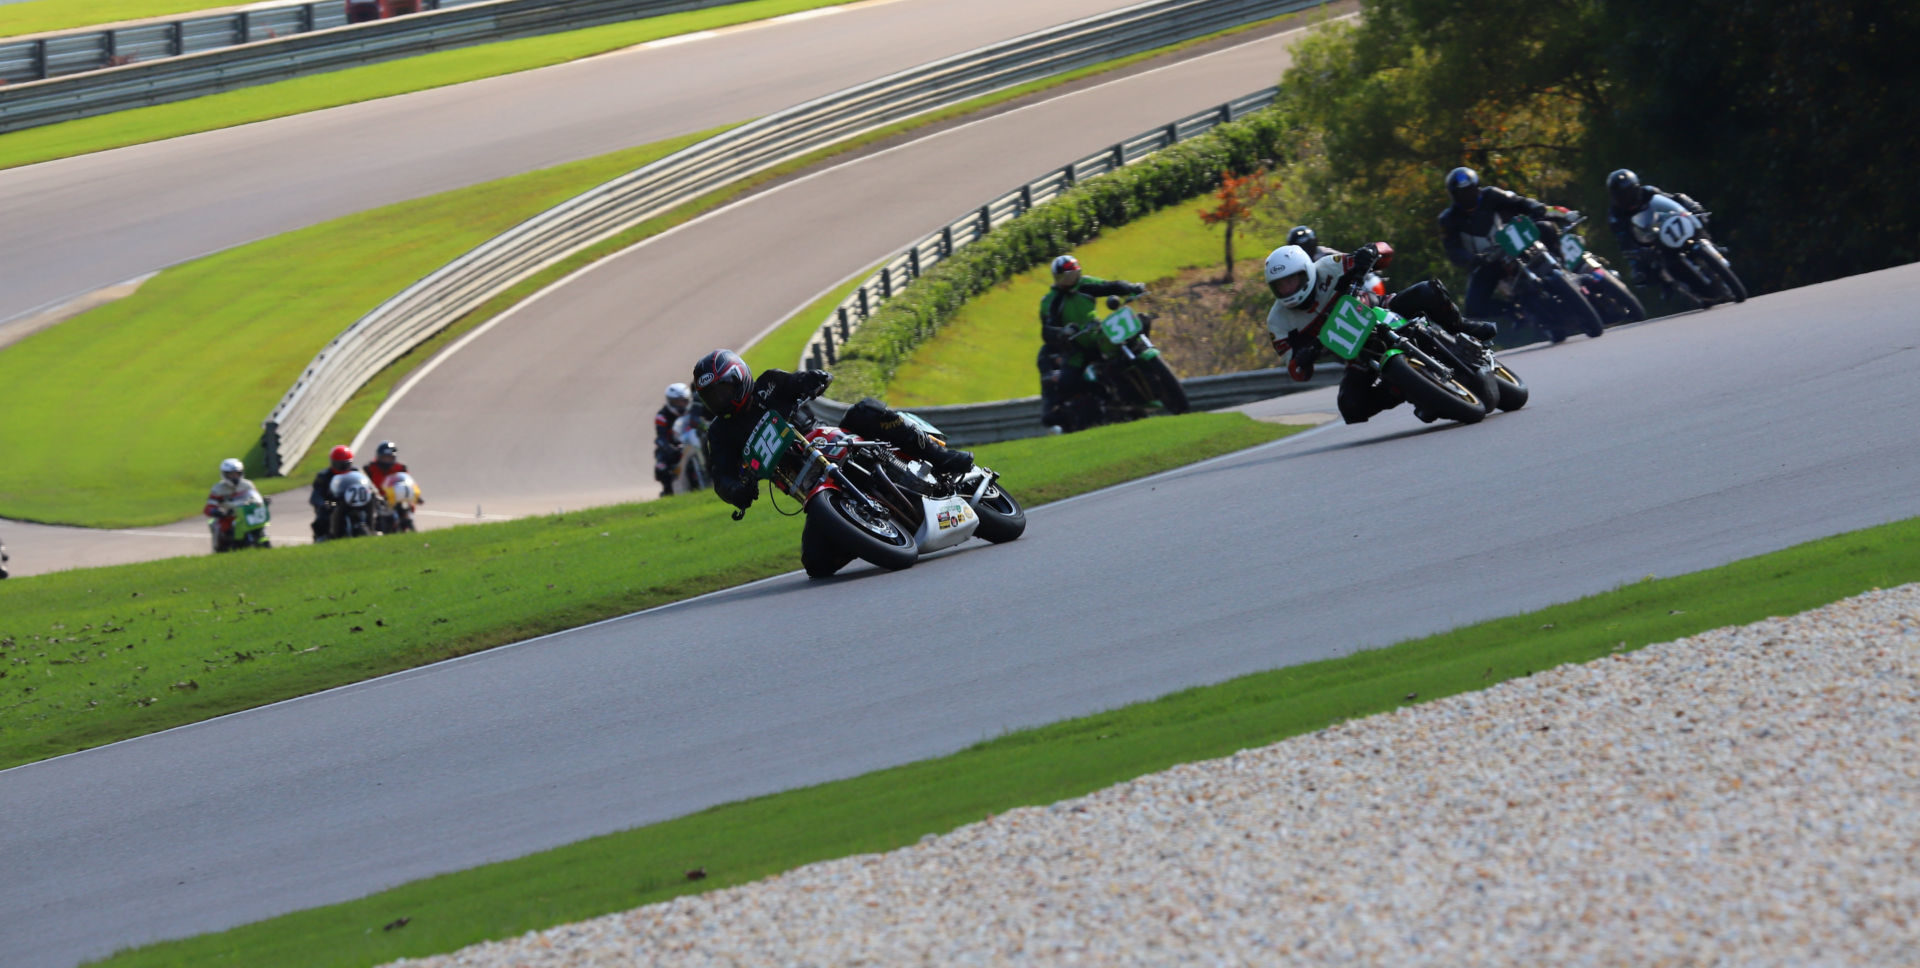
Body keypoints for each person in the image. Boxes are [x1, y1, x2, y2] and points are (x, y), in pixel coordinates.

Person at [691, 349, 972, 577]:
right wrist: (735, 491)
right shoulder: (720, 433)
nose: (720, 400)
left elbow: (800, 382)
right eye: (712, 397)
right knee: (816, 564)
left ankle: (942, 456)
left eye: (723, 390)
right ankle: (863, 533)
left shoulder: (770, 383)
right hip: (803, 480)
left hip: (830, 440)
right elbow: (721, 477)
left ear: (739, 378)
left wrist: (814, 380)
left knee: (866, 411)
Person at [1263, 241, 1496, 425]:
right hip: (1357, 354)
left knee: (1428, 291)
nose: (1288, 289)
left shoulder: (1327, 266)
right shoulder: (1278, 321)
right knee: (1350, 407)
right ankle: (1404, 389)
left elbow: (1383, 251)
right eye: (1281, 285)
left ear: (1306, 271)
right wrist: (1304, 357)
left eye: (1292, 280)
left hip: (1381, 308)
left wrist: (1370, 252)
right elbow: (1296, 371)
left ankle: (1461, 326)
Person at [1437, 166, 1571, 325]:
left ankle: (1563, 267)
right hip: (1487, 261)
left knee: (1546, 227)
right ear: (1454, 195)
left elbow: (1519, 201)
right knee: (1473, 307)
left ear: (1477, 187)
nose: (1467, 195)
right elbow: (1453, 250)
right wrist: (1473, 259)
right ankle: (1514, 310)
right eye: (1462, 193)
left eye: (1470, 189)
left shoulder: (1491, 195)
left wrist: (1535, 207)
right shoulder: (1448, 219)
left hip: (1513, 242)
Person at [1036, 254, 1148, 431]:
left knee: (1134, 336)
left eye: (1073, 275)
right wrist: (1062, 332)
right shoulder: (1051, 300)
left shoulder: (1086, 284)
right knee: (1066, 381)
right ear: (1057, 279)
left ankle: (1147, 378)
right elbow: (1046, 330)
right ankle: (1085, 406)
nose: (1070, 280)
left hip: (1098, 335)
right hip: (1076, 347)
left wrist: (1132, 287)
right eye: (1066, 277)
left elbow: (1110, 286)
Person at [1604, 168, 1713, 287]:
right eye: (1622, 195)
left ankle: (1712, 248)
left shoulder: (1648, 191)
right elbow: (1623, 240)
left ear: (1636, 187)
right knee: (1645, 267)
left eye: (1629, 192)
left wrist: (1693, 208)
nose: (1627, 198)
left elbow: (1674, 199)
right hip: (1649, 240)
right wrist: (1636, 254)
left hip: (1667, 224)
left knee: (1699, 221)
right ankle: (1672, 284)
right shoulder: (1615, 214)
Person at [653, 382, 709, 497]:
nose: (680, 404)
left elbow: (703, 423)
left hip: (693, 443)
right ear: (669, 401)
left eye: (683, 401)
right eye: (676, 402)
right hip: (673, 447)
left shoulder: (694, 408)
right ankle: (668, 491)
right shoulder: (662, 416)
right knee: (661, 467)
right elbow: (661, 438)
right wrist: (670, 449)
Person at [205, 457, 269, 551]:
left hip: (248, 516)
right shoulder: (218, 489)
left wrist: (264, 501)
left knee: (260, 528)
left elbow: (255, 497)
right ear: (224, 474)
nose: (234, 477)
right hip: (228, 517)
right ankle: (220, 548)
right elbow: (209, 507)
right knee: (222, 530)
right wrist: (217, 512)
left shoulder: (248, 485)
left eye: (236, 474)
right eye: (231, 474)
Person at [309, 445, 358, 541]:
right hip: (333, 505)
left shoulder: (355, 473)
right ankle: (321, 537)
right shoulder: (324, 476)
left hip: (352, 504)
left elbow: (366, 486)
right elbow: (316, 496)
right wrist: (323, 504)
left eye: (345, 464)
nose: (343, 467)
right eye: (340, 464)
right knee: (322, 518)